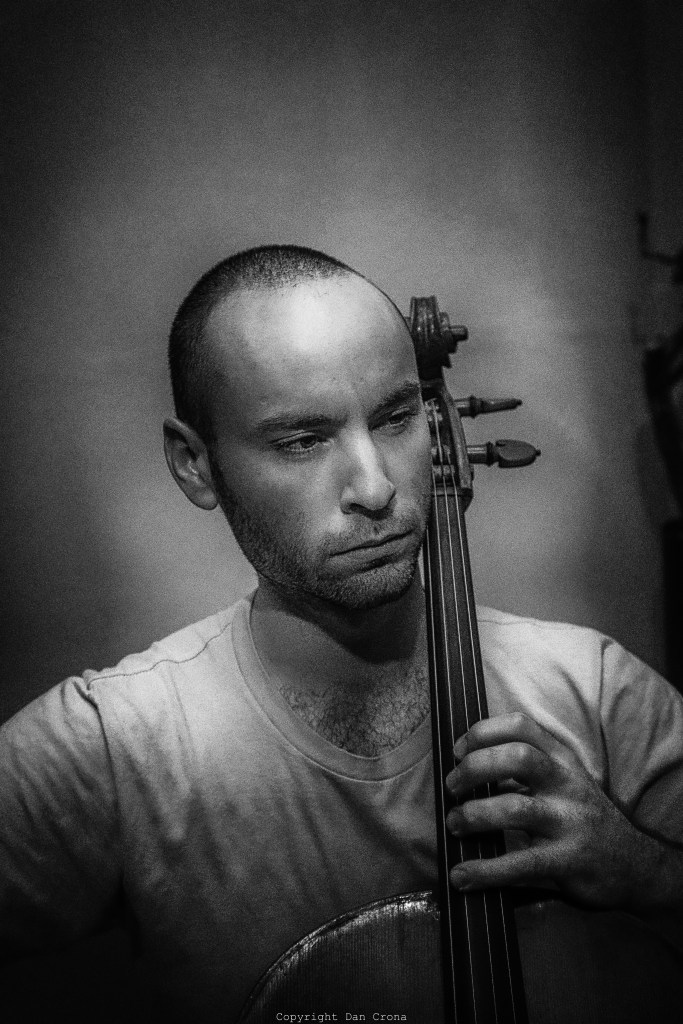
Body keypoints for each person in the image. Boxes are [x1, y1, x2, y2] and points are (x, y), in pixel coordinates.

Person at [1, 245, 683, 1023]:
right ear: (194, 464)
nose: (376, 486)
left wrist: (650, 869)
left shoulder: (594, 691)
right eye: (302, 440)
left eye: (395, 419)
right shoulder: (115, 744)